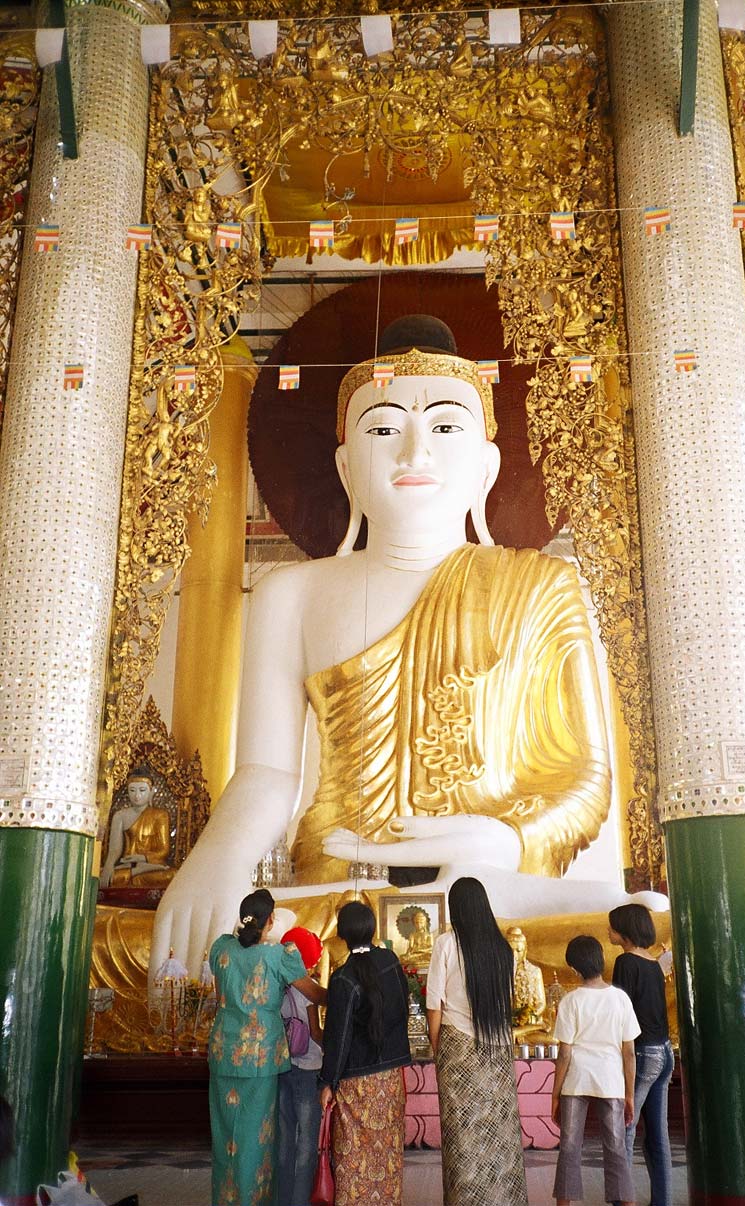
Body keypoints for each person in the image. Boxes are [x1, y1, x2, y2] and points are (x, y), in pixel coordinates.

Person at [152, 315, 667, 981]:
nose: (414, 452)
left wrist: (506, 839)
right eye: (384, 428)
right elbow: (268, 775)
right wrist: (216, 860)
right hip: (342, 894)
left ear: (487, 465)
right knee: (164, 938)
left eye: (446, 426)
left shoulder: (543, 584)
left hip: (493, 886)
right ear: (345, 466)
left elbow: (584, 780)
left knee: (645, 923)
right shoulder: (293, 594)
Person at [208, 889, 326, 1206]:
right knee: (256, 1139)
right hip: (259, 1056)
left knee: (226, 1139)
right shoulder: (278, 956)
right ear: (270, 921)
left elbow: (221, 994)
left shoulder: (221, 949)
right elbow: (314, 994)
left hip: (223, 1053)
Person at [426, 877, 527, 1206]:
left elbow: (433, 1006)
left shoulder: (446, 943)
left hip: (457, 1047)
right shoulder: (503, 949)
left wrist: (437, 1047)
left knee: (463, 1134)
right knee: (499, 1132)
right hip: (497, 1049)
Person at [318, 901, 411, 1205]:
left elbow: (339, 1037)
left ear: (341, 934)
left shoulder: (343, 978)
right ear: (373, 929)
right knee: (387, 1156)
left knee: (353, 1160)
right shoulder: (391, 961)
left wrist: (327, 1082)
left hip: (356, 1084)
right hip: (389, 1080)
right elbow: (403, 1009)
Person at [551, 935, 639, 1206]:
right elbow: (629, 1052)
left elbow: (564, 1054)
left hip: (575, 1082)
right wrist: (629, 1094)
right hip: (611, 1082)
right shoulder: (620, 999)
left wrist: (555, 1095)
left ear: (575, 969)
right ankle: (626, 1202)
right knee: (615, 1148)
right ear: (601, 961)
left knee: (569, 1147)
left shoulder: (570, 1001)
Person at [609, 903, 673, 1206]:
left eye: (612, 927)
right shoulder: (652, 963)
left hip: (642, 1054)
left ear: (624, 932)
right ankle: (663, 1201)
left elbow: (621, 1014)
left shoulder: (626, 963)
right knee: (658, 1139)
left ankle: (623, 1201)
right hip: (664, 1052)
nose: (608, 931)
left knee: (624, 1131)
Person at [276, 926, 324, 1206]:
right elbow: (315, 1032)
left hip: (282, 1066)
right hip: (308, 1068)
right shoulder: (306, 985)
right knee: (306, 1140)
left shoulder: (277, 985)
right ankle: (300, 1201)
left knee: (284, 1141)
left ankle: (282, 1200)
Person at [100, 763, 173, 888]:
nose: (137, 795)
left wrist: (142, 858)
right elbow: (114, 850)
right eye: (132, 790)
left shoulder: (160, 815)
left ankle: (137, 872)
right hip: (126, 865)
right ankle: (136, 872)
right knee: (105, 876)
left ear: (151, 792)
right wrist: (108, 867)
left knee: (171, 876)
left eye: (142, 790)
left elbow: (164, 850)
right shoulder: (120, 816)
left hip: (151, 866)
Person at [508, 925, 547, 1035]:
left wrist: (527, 1016)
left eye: (518, 951)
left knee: (552, 1040)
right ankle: (516, 1033)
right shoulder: (498, 973)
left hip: (531, 1023)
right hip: (506, 1024)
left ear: (525, 950)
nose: (514, 955)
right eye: (510, 951)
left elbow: (541, 1003)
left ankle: (518, 1033)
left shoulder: (534, 971)